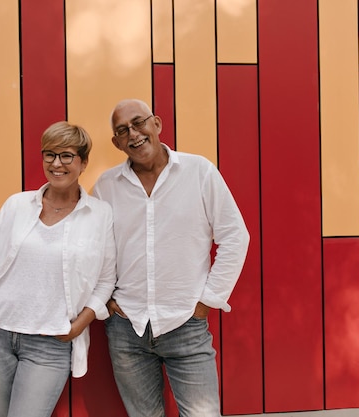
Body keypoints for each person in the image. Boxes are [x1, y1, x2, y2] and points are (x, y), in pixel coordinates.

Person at [92, 99, 250, 417]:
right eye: (123, 130)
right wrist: (104, 298)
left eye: (139, 123)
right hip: (127, 329)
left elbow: (235, 235)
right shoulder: (106, 187)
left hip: (186, 324)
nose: (133, 134)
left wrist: (208, 300)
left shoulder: (199, 171)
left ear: (157, 124)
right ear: (117, 142)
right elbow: (91, 249)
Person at [0, 121, 116, 417]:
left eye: (66, 155)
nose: (56, 163)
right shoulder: (16, 205)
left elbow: (105, 281)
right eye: (49, 154)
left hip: (50, 342)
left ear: (83, 162)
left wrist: (81, 324)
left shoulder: (100, 215)